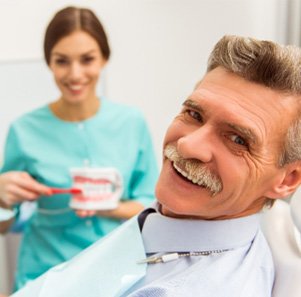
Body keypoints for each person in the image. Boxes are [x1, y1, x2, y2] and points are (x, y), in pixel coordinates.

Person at [11, 35, 301, 297]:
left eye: (237, 139)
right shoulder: (174, 218)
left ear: (288, 180)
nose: (188, 145)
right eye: (194, 113)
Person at [0, 6, 158, 292]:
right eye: (62, 61)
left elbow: (152, 207)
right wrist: (1, 199)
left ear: (104, 58)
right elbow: (4, 226)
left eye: (87, 60)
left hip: (116, 276)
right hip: (43, 277)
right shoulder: (23, 131)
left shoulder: (131, 123)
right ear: (49, 62)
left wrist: (113, 207)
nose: (75, 74)